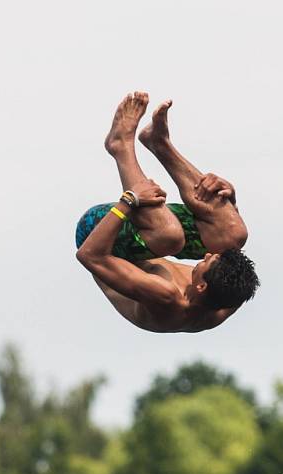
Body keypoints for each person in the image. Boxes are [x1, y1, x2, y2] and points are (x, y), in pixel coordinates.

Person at [75, 91, 260, 333]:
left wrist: (130, 200)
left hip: (97, 237)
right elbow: (229, 261)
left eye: (208, 261)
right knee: (234, 234)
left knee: (169, 236)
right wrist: (229, 201)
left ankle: (120, 145)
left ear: (202, 287)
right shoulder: (227, 298)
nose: (205, 255)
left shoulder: (165, 297)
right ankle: (159, 143)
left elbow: (89, 256)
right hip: (146, 240)